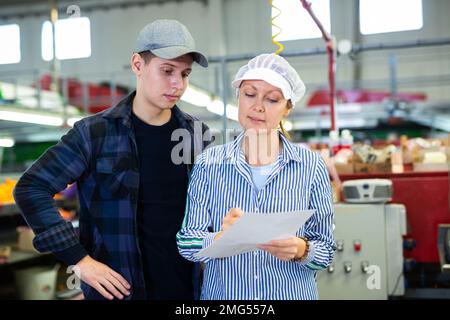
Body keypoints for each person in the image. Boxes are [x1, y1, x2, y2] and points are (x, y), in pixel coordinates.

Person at [13, 19, 212, 300]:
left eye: (185, 73)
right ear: (137, 65)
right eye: (167, 71)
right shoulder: (94, 134)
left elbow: (206, 207)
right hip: (120, 292)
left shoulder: (196, 135)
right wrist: (80, 261)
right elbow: (31, 188)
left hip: (187, 290)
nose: (177, 84)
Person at [177, 53, 336, 300]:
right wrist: (220, 238)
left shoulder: (311, 166)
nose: (258, 106)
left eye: (272, 99)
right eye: (250, 94)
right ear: (238, 96)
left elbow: (326, 251)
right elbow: (187, 243)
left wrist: (301, 249)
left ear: (287, 107)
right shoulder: (209, 164)